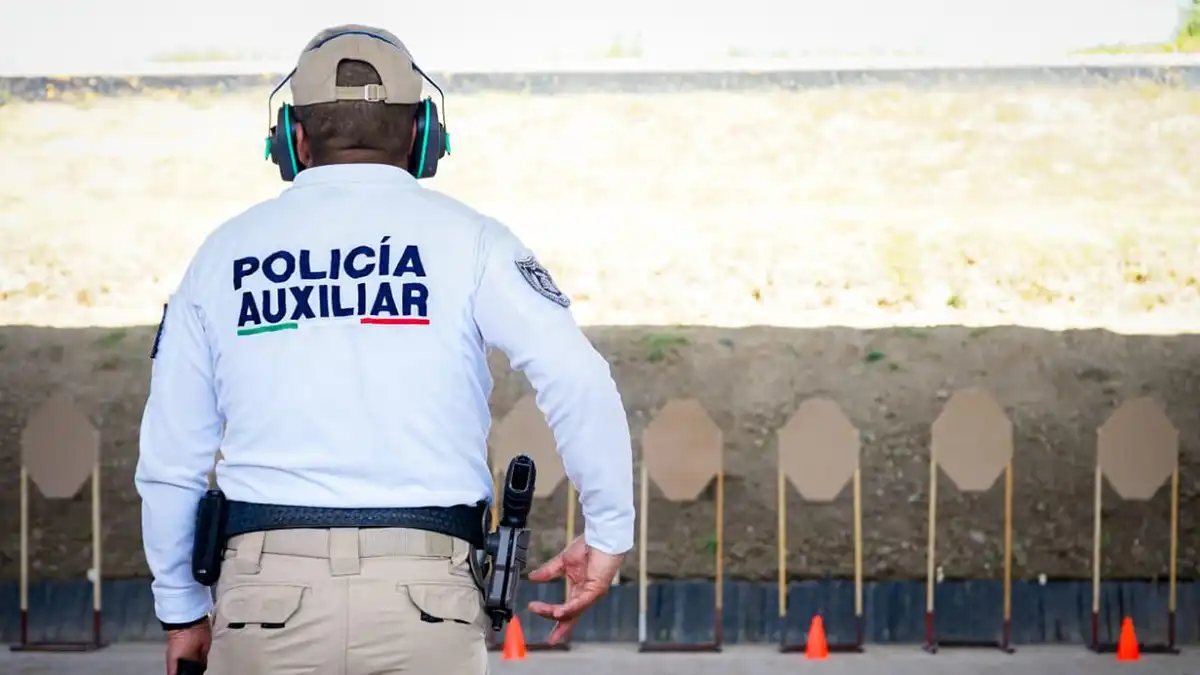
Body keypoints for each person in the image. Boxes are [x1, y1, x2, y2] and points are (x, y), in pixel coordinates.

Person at [134, 24, 634, 675]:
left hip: (262, 597)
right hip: (428, 599)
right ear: (424, 136)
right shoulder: (474, 241)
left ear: (292, 138)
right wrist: (607, 531)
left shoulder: (222, 254)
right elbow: (577, 378)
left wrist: (181, 607)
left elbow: (172, 454)